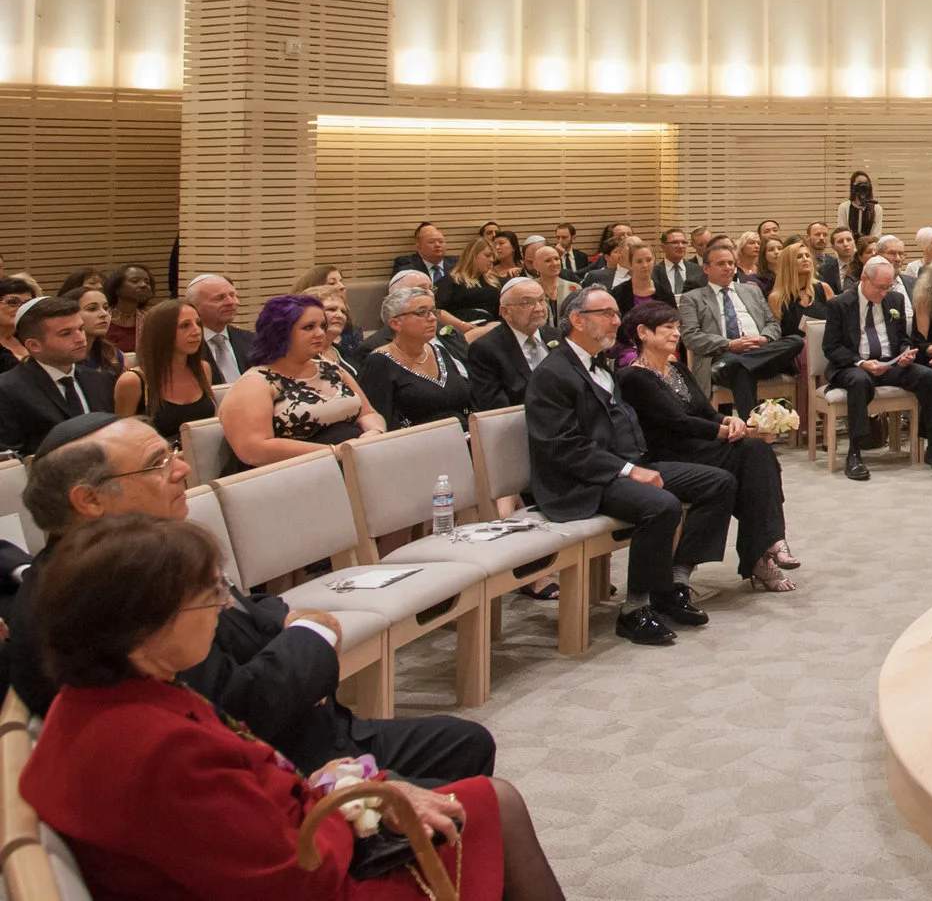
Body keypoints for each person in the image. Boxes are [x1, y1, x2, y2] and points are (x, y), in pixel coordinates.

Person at [20, 513, 566, 899]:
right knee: (495, 806)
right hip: (318, 878)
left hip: (296, 833)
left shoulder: (107, 695)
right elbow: (299, 875)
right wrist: (349, 804)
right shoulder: (159, 749)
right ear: (143, 629)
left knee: (480, 794)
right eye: (207, 598)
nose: (220, 609)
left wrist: (334, 786)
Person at [10, 415, 498, 788]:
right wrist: (313, 633)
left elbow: (248, 609)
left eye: (173, 452)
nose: (182, 468)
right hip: (269, 767)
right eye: (158, 463)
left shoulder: (140, 552)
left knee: (464, 743)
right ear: (90, 500)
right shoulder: (102, 597)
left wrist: (288, 619)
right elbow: (234, 709)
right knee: (477, 798)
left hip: (302, 729)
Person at [526, 287, 732, 646]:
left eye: (616, 313)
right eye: (606, 313)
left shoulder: (601, 364)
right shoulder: (553, 374)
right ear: (577, 320)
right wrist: (628, 470)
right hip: (581, 480)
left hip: (622, 466)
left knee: (719, 482)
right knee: (661, 505)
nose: (616, 321)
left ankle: (674, 583)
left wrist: (637, 463)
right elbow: (563, 446)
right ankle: (634, 610)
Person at [615, 301, 798, 592]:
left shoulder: (678, 369)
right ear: (643, 332)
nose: (676, 333)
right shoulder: (632, 377)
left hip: (701, 447)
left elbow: (706, 411)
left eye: (678, 327)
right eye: (667, 328)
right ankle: (764, 550)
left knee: (756, 452)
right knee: (751, 458)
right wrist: (725, 431)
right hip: (669, 452)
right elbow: (677, 422)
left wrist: (730, 419)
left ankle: (767, 545)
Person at [219, 293, 384, 467]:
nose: (320, 333)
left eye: (322, 326)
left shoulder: (332, 369)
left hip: (353, 460)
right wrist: (333, 452)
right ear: (280, 332)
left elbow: (368, 413)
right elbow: (254, 450)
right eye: (308, 327)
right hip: (293, 472)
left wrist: (375, 432)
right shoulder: (255, 383)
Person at [826, 257, 932, 477]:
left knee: (928, 376)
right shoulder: (840, 304)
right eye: (880, 287)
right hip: (853, 364)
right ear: (864, 279)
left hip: (890, 362)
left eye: (888, 287)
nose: (884, 293)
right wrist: (861, 363)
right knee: (859, 381)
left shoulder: (895, 299)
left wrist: (905, 353)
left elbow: (903, 338)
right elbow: (831, 347)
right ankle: (855, 452)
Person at [677, 237, 801, 416]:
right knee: (739, 369)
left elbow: (772, 324)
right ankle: (752, 426)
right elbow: (691, 337)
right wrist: (730, 344)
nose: (728, 268)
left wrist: (763, 338)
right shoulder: (693, 298)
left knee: (795, 341)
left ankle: (750, 427)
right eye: (721, 264)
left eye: (730, 263)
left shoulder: (752, 291)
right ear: (706, 268)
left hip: (760, 352)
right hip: (722, 356)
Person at [0, 296, 123, 456]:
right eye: (66, 333)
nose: (80, 338)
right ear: (34, 345)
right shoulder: (8, 389)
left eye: (81, 329)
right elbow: (10, 458)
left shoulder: (99, 380)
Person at [361, 285, 478, 430]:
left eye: (433, 311)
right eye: (422, 312)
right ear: (396, 323)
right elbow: (380, 419)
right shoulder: (379, 362)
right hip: (415, 440)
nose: (433, 318)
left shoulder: (440, 351)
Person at [113, 297, 217, 438]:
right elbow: (123, 439)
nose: (197, 331)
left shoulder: (203, 369)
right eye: (185, 326)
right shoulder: (133, 381)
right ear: (162, 333)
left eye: (198, 323)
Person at [466, 276, 552, 413]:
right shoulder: (484, 349)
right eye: (527, 303)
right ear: (505, 311)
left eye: (541, 300)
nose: (539, 308)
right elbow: (494, 407)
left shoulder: (558, 336)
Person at [100, 264, 152, 366]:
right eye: (135, 281)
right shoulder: (102, 317)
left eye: (147, 282)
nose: (143, 285)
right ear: (117, 288)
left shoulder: (150, 320)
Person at [74, 283, 116, 373]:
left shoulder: (111, 353)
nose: (104, 314)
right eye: (92, 309)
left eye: (106, 308)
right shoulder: (62, 359)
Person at [841, 170, 883, 243]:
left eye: (865, 183)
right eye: (859, 182)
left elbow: (876, 235)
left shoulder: (877, 208)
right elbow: (841, 232)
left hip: (870, 247)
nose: (862, 186)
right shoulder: (844, 207)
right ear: (853, 186)